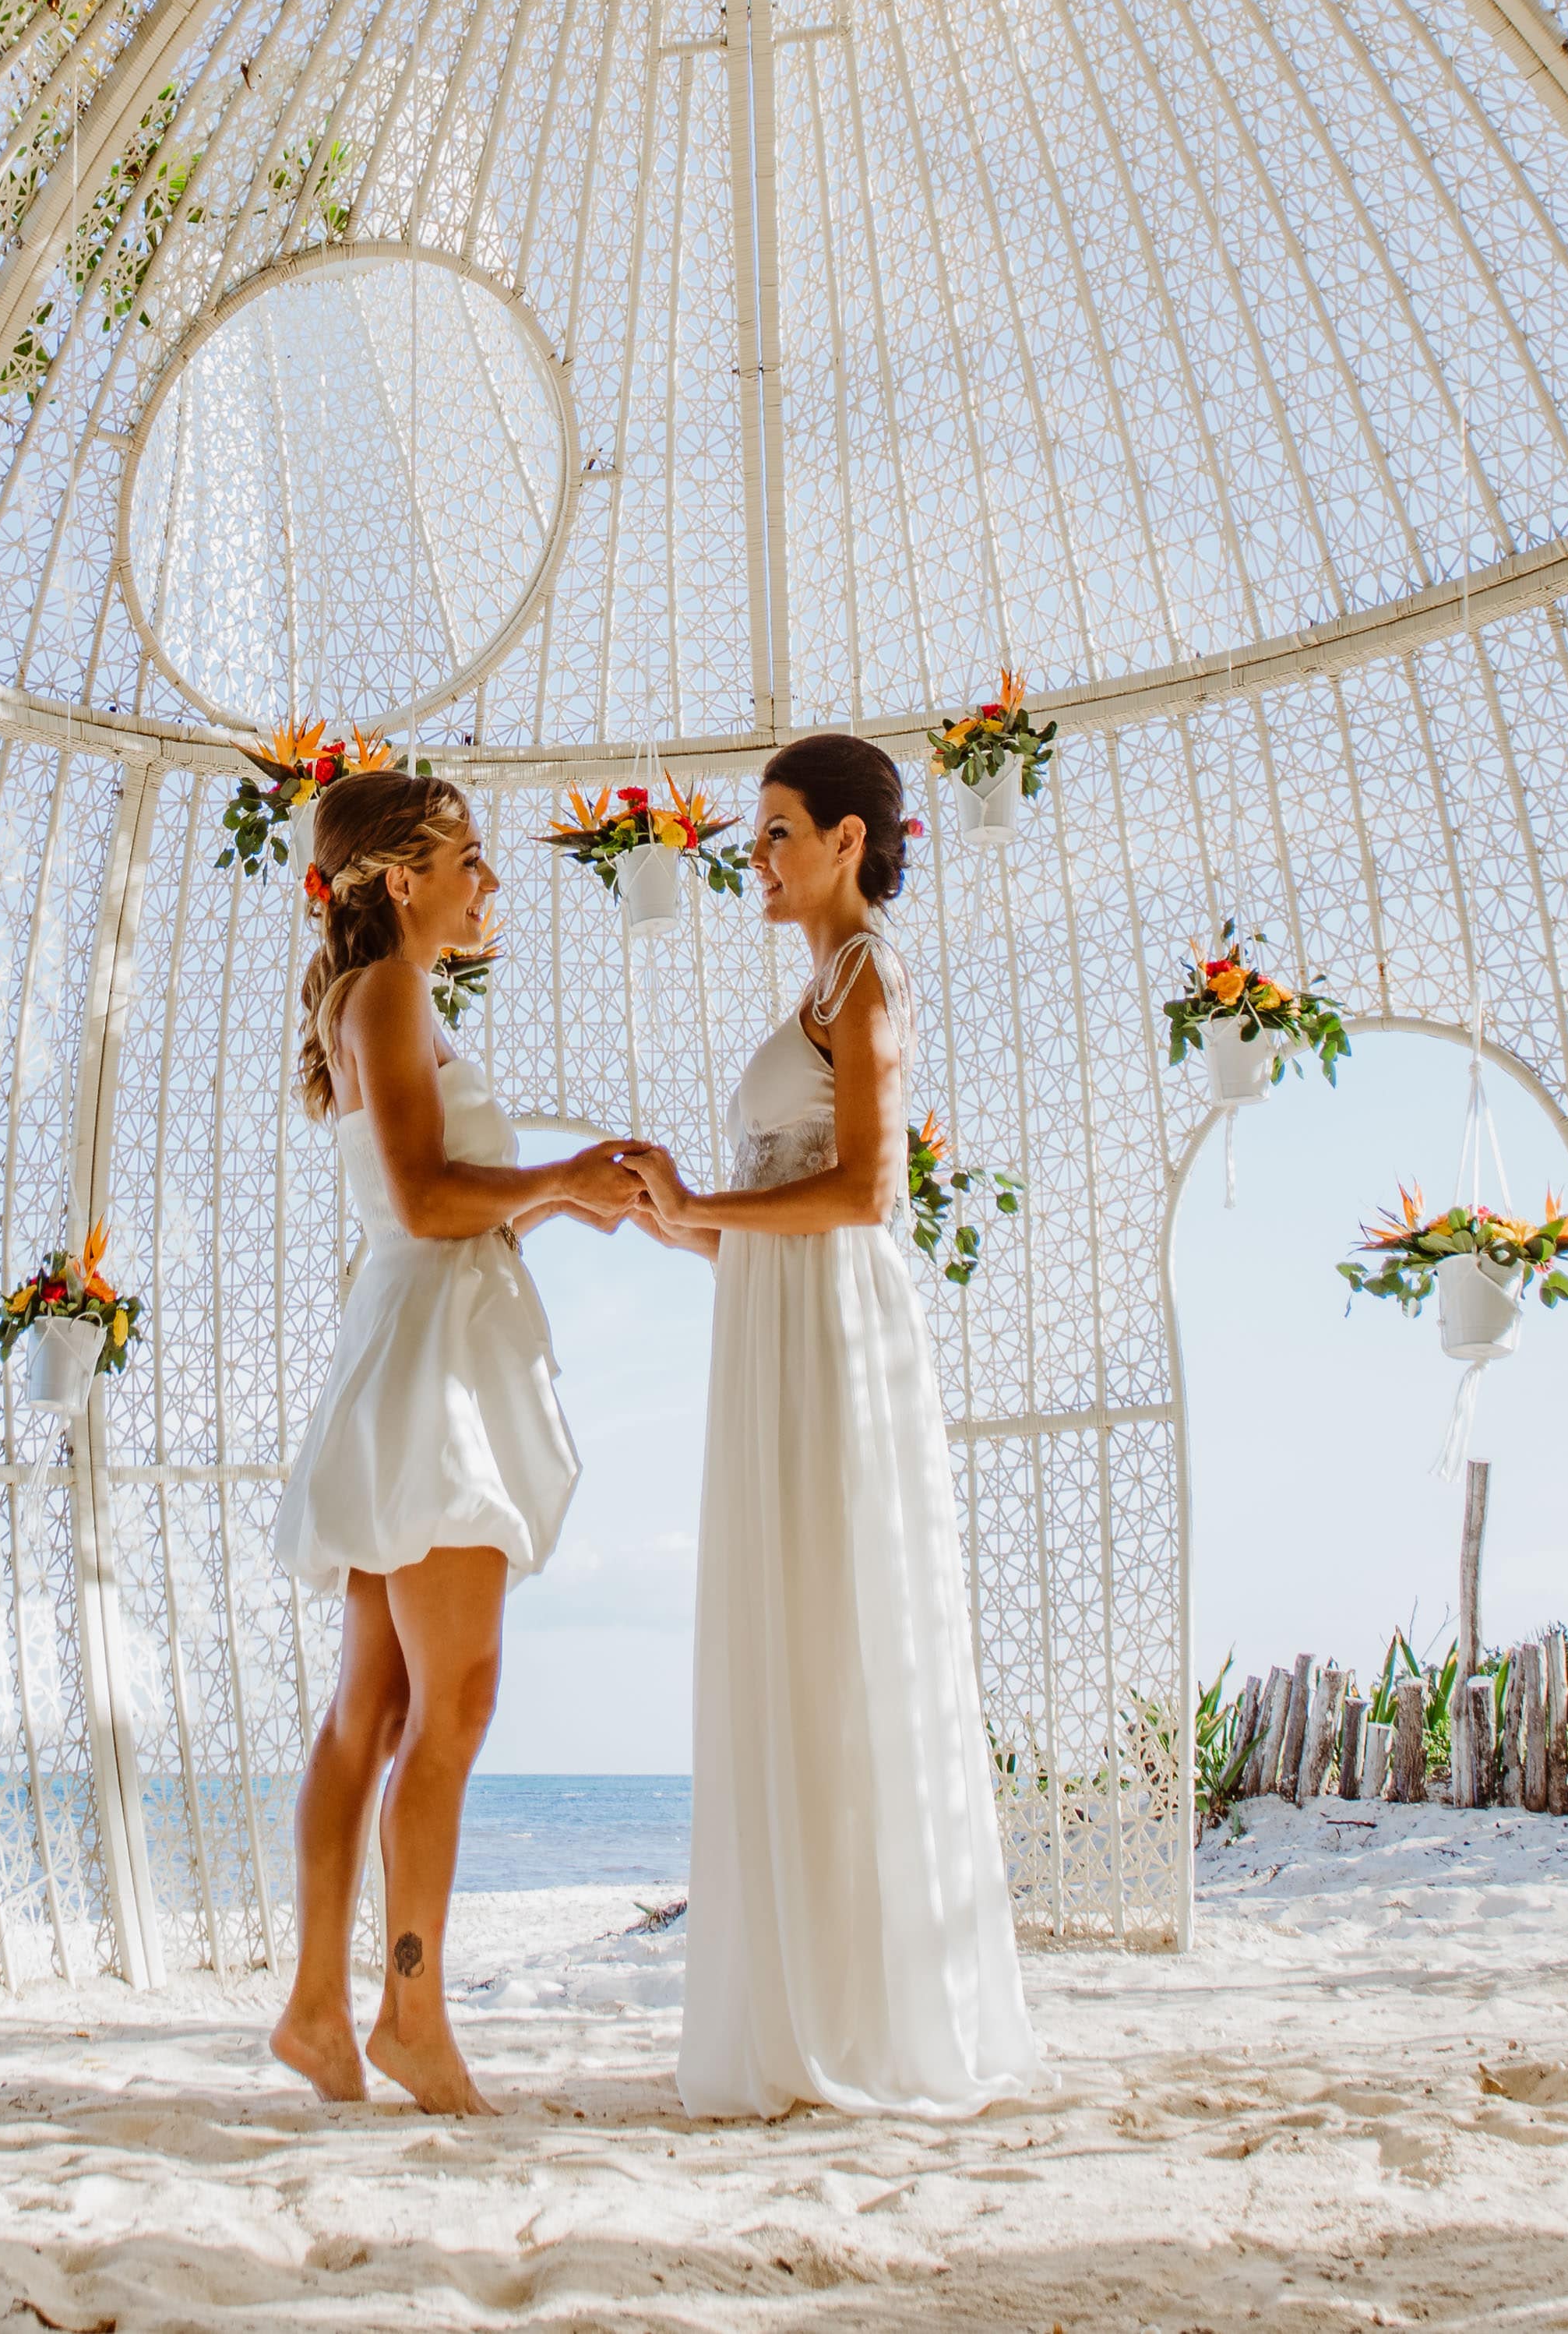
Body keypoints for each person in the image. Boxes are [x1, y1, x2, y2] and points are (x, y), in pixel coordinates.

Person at [620, 734, 1050, 2118]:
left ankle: (867, 2011)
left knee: (840, 1629)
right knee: (791, 1635)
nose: (755, 857)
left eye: (777, 832)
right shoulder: (817, 985)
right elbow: (775, 1226)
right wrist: (675, 1218)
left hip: (834, 1344)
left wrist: (703, 1204)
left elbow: (864, 1194)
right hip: (777, 1334)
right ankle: (809, 1989)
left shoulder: (867, 975)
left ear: (849, 841)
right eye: (757, 834)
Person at [266, 771, 642, 2112]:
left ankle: (320, 2011)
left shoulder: (384, 998)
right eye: (468, 857)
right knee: (454, 1702)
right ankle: (408, 2015)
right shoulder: (386, 993)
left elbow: (434, 1206)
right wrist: (557, 1174)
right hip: (434, 1374)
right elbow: (426, 1198)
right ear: (398, 878)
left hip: (414, 1343)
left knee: (370, 1709)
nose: (488, 882)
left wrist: (560, 1200)